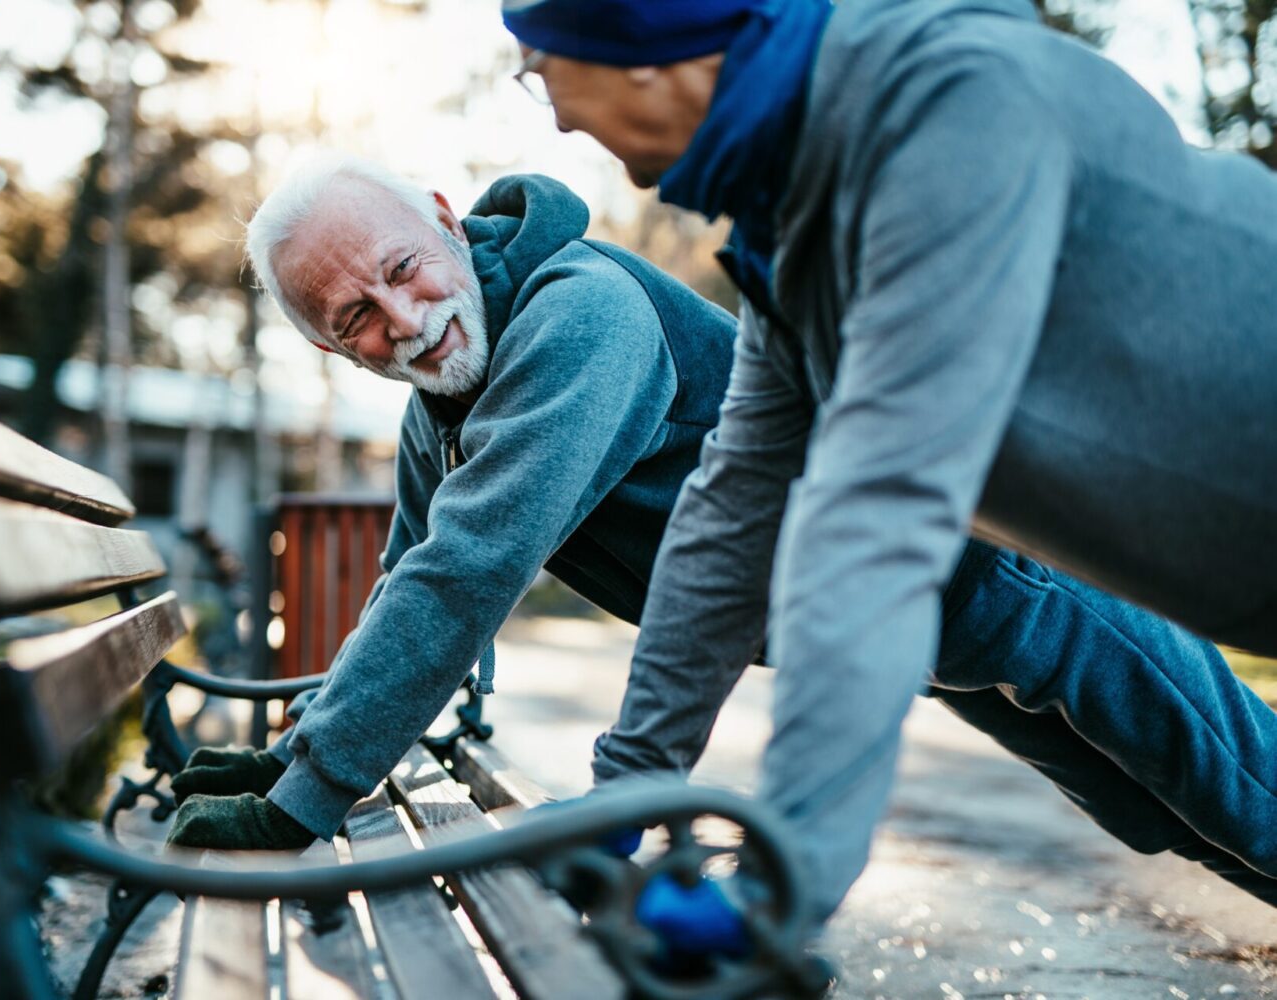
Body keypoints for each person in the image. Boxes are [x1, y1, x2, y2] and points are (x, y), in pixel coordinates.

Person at [165, 160, 1277, 936]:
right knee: (1163, 815)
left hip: (1005, 579)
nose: (400, 321)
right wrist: (293, 753)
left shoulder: (575, 318)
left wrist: (303, 804)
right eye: (350, 316)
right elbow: (411, 574)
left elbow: (470, 571)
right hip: (921, 637)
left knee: (1239, 795)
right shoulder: (442, 399)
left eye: (401, 269)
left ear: (450, 222)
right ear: (324, 344)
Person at [499, 0, 1277, 937]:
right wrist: (626, 791)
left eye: (540, 68)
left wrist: (784, 878)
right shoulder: (794, 226)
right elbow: (733, 517)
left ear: (644, 51)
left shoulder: (946, 108)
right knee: (1206, 823)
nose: (555, 116)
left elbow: (876, 512)